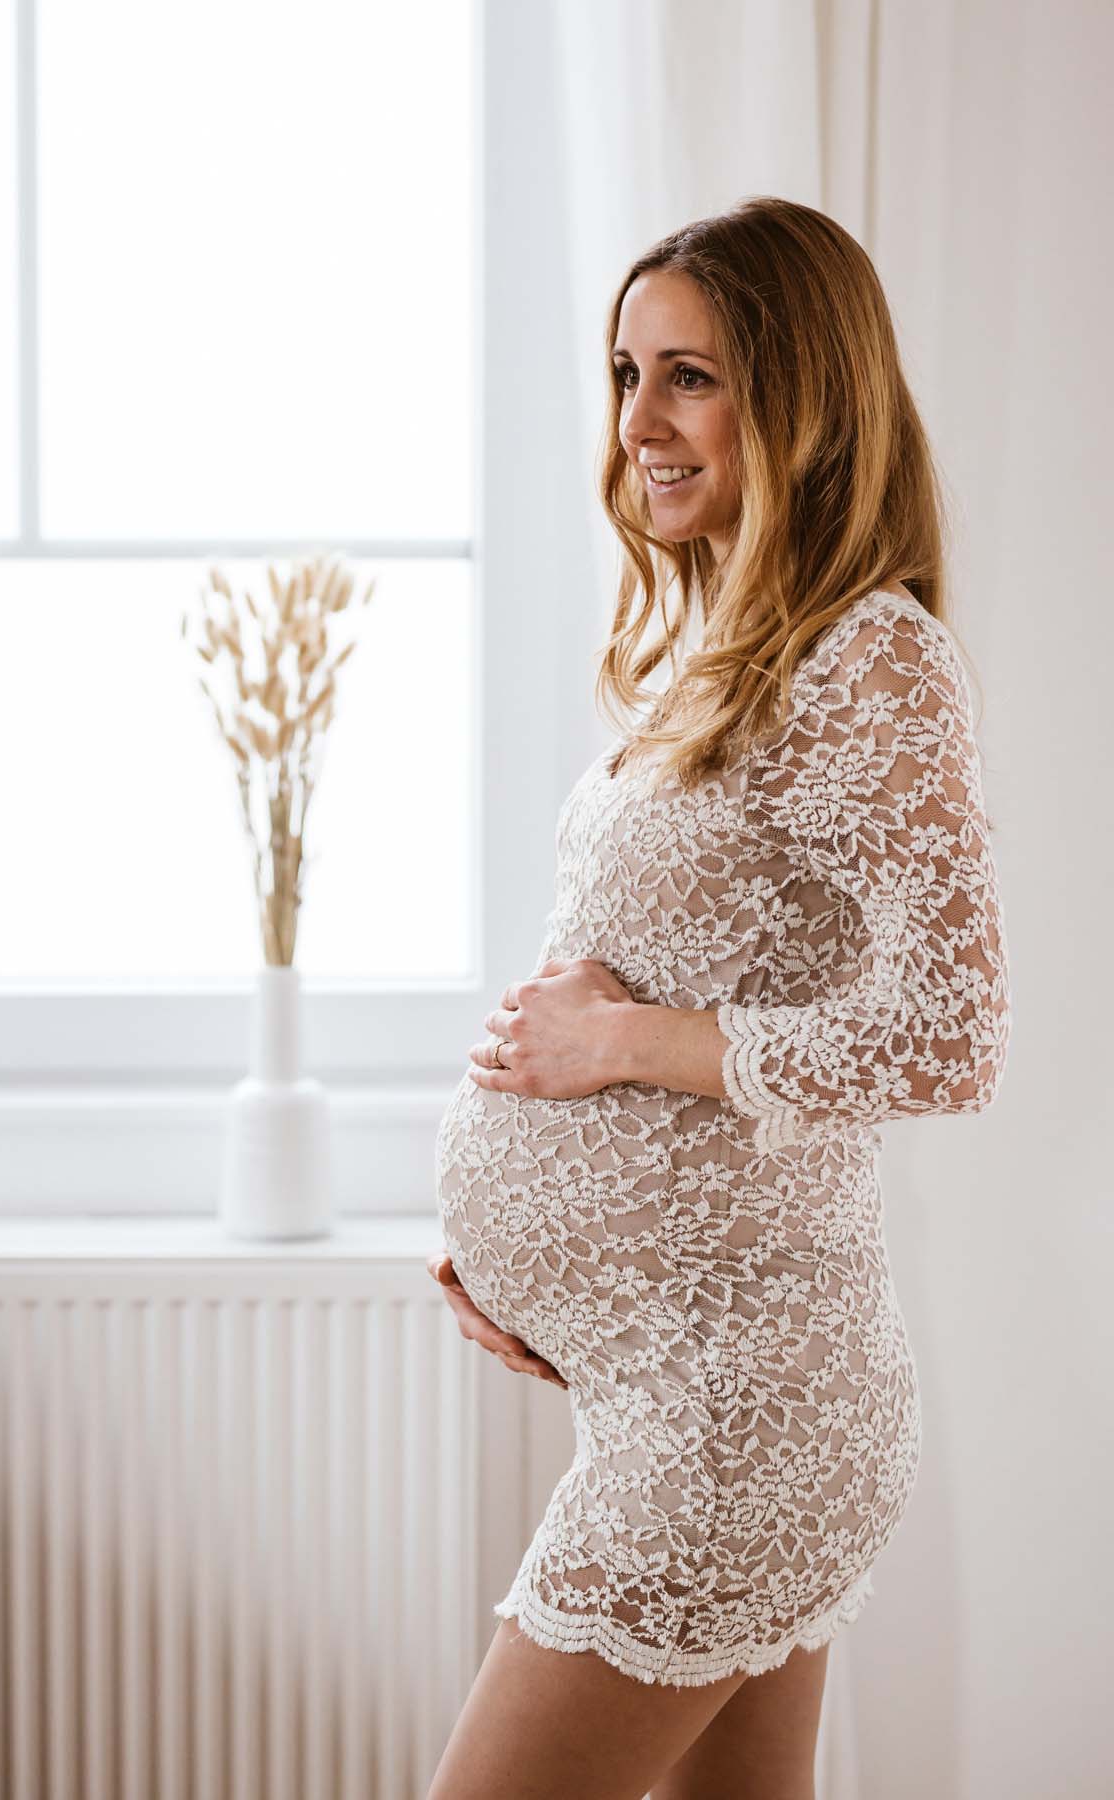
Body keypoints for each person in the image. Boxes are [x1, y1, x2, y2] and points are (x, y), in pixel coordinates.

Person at [426, 196, 1012, 1800]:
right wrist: (553, 1272)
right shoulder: (728, 649)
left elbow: (950, 1034)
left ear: (807, 395)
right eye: (627, 374)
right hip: (679, 1374)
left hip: (741, 1411)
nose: (641, 424)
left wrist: (615, 1042)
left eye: (692, 375)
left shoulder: (870, 661)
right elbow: (724, 1014)